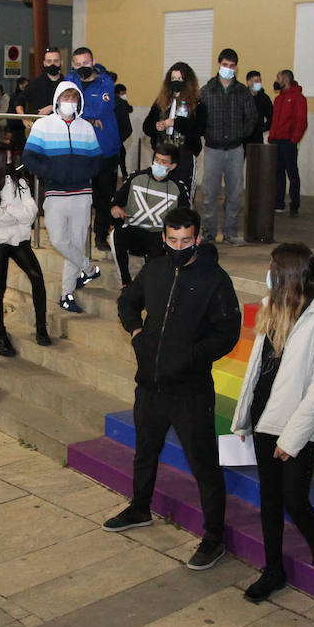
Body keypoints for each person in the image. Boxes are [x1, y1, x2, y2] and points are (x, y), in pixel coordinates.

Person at [107, 207, 242, 570]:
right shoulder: (155, 269)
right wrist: (137, 333)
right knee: (145, 451)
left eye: (186, 240)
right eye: (172, 240)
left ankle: (214, 538)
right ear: (164, 238)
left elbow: (228, 332)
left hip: (190, 390)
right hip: (149, 384)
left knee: (204, 465)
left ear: (198, 238)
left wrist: (191, 356)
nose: (179, 246)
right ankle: (139, 508)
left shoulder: (215, 280)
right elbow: (128, 301)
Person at [231, 243, 314, 601]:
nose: (269, 274)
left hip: (296, 426)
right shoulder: (272, 307)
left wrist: (292, 439)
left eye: (274, 268)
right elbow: (256, 368)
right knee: (269, 497)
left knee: (295, 500)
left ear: (291, 275)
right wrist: (244, 417)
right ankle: (273, 568)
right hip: (265, 417)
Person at [23, 81, 104, 313]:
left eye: (73, 99)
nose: (69, 103)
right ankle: (88, 269)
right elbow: (29, 157)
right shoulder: (43, 126)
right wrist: (52, 172)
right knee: (59, 240)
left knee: (76, 242)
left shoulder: (85, 128)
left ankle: (66, 294)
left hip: (82, 194)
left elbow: (97, 158)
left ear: (78, 101)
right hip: (56, 193)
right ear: (57, 100)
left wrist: (85, 172)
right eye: (65, 98)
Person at [0, 143, 48, 354]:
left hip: (19, 238)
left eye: (11, 158)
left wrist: (9, 210)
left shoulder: (20, 182)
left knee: (36, 276)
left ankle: (41, 327)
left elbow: (32, 212)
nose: (10, 163)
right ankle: (1, 335)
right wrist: (17, 213)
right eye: (6, 159)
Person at [200, 49, 259, 245]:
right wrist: (207, 132)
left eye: (232, 66)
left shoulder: (242, 91)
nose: (228, 69)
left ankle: (230, 232)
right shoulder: (207, 90)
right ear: (219, 64)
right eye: (225, 65)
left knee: (234, 193)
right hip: (212, 149)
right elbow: (198, 117)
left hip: (235, 150)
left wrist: (240, 134)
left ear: (236, 67)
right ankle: (209, 232)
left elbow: (252, 117)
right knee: (210, 193)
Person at [111, 144, 191, 287]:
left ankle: (148, 287)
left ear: (172, 166)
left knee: (156, 261)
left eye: (164, 162)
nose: (159, 164)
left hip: (159, 234)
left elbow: (186, 217)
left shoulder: (178, 187)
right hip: (135, 228)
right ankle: (126, 282)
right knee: (116, 235)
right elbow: (116, 201)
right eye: (157, 160)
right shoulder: (136, 177)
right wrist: (115, 208)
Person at [67, 47, 121, 248]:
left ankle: (100, 235)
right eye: (78, 64)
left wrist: (78, 111)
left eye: (86, 63)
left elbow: (101, 109)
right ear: (73, 65)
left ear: (93, 61)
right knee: (78, 195)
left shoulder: (106, 81)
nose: (83, 67)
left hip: (105, 148)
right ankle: (76, 235)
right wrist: (87, 117)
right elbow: (63, 107)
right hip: (79, 149)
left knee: (103, 195)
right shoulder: (69, 81)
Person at [142, 62, 205, 193]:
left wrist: (175, 123)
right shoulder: (161, 101)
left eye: (180, 79)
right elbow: (146, 126)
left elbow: (200, 129)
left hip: (184, 155)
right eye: (173, 79)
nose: (176, 82)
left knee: (182, 193)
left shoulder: (197, 103)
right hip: (162, 154)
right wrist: (156, 126)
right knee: (160, 192)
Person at [267, 70, 308, 215]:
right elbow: (275, 121)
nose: (276, 81)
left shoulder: (298, 98)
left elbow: (301, 121)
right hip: (276, 141)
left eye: (278, 78)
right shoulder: (278, 99)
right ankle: (279, 203)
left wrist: (293, 140)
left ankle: (294, 203)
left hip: (288, 142)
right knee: (277, 173)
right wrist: (271, 137)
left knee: (292, 173)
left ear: (285, 79)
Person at [113, 82, 134, 183]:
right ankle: (124, 174)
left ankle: (123, 174)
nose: (124, 95)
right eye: (123, 93)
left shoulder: (115, 102)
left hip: (114, 137)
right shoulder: (120, 103)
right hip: (118, 136)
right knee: (121, 156)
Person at [245, 71, 274, 144]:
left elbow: (272, 116)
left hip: (258, 139)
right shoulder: (242, 96)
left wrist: (262, 128)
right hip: (242, 139)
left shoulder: (264, 98)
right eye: (256, 81)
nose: (259, 83)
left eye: (260, 81)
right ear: (248, 82)